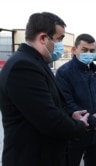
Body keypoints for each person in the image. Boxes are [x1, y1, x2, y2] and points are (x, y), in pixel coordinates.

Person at [0, 12, 89, 166]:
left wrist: (70, 114)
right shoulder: (23, 67)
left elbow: (47, 103)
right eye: (59, 39)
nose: (61, 45)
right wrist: (80, 126)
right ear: (43, 38)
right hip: (32, 158)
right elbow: (49, 120)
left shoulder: (35, 61)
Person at [55, 33, 96, 166]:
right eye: (84, 50)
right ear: (75, 50)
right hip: (75, 134)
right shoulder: (64, 72)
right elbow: (66, 102)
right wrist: (92, 121)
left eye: (92, 51)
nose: (89, 53)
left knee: (92, 162)